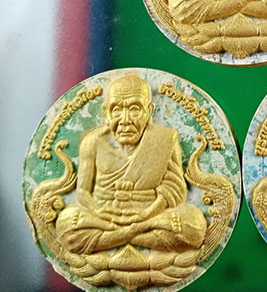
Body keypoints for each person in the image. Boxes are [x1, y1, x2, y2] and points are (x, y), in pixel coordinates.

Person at [55, 73, 206, 255]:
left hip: (149, 216)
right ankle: (133, 235)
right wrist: (98, 210)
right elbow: (82, 192)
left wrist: (146, 215)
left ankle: (120, 236)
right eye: (116, 110)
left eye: (134, 109)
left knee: (193, 225)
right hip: (103, 217)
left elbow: (174, 190)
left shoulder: (164, 140)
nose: (125, 119)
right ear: (106, 112)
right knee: (67, 224)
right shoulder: (92, 142)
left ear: (149, 111)